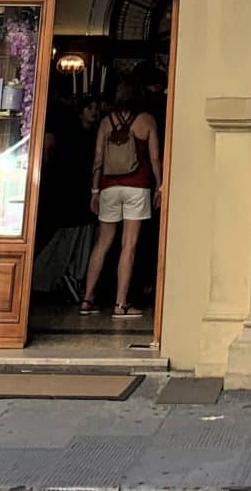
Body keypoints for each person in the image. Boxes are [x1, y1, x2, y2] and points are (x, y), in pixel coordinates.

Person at [80, 77, 161, 320]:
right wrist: (160, 186)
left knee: (102, 244)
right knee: (129, 245)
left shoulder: (106, 122)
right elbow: (155, 158)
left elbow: (97, 159)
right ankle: (121, 304)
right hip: (137, 186)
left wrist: (95, 191)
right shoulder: (146, 120)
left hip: (108, 187)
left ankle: (87, 298)